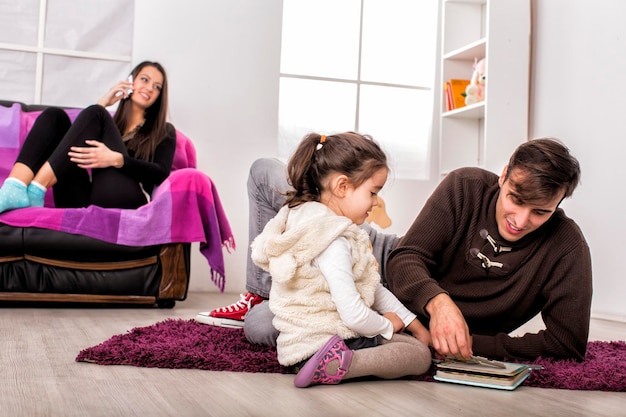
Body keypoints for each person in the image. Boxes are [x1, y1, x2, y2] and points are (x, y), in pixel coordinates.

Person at [199, 137, 591, 363]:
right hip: (375, 256)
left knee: (263, 326)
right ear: (503, 175)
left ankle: (267, 300)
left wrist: (466, 344)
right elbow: (407, 257)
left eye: (540, 211)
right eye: (515, 199)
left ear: (560, 204)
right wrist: (440, 303)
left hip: (381, 311)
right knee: (263, 170)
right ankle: (260, 290)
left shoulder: (566, 247)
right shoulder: (466, 185)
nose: (520, 220)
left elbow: (567, 343)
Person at [248, 132, 432, 388]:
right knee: (418, 355)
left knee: (410, 342)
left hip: (300, 344)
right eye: (373, 192)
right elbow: (354, 315)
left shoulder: (307, 220)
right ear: (342, 186)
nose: (376, 202)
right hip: (322, 342)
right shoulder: (333, 240)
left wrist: (413, 324)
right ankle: (337, 365)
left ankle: (330, 362)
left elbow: (370, 285)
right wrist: (386, 325)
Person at [0, 61, 175, 213]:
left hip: (127, 200)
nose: (150, 88)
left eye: (157, 87)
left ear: (159, 96)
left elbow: (161, 172)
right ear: (130, 82)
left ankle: (35, 190)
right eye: (145, 79)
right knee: (55, 117)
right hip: (88, 199)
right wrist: (103, 102)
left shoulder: (164, 131)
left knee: (97, 114)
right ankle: (15, 186)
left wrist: (118, 160)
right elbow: (79, 133)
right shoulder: (108, 124)